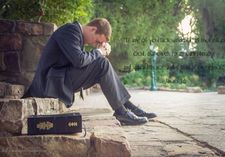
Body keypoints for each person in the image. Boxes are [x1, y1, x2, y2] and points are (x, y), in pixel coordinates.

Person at [22, 18, 157, 125]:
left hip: (58, 79)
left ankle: (128, 107)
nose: (95, 44)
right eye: (97, 41)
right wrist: (99, 52)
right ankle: (122, 111)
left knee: (101, 65)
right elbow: (79, 61)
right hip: (49, 83)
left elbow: (81, 61)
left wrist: (99, 51)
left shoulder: (76, 35)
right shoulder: (70, 30)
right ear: (93, 29)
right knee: (101, 63)